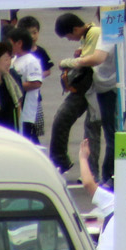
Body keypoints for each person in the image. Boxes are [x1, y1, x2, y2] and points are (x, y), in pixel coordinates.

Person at [51, 12, 118, 183]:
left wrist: (65, 63)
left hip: (93, 87)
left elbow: (89, 61)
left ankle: (83, 170)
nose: (69, 39)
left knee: (77, 124)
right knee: (89, 128)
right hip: (91, 87)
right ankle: (83, 169)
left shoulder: (94, 33)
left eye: (68, 36)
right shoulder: (89, 34)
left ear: (75, 29)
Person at [7, 28, 44, 141]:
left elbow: (36, 83)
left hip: (26, 111)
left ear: (19, 43)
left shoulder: (31, 61)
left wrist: (12, 86)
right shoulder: (13, 60)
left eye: (10, 43)